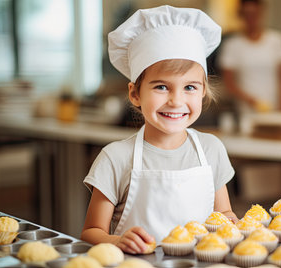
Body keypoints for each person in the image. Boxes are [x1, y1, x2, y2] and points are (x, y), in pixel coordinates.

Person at [80, 5, 238, 254]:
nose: (176, 101)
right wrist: (115, 241)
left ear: (203, 91)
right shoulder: (115, 158)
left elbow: (224, 213)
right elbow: (91, 232)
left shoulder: (211, 149)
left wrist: (233, 222)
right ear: (134, 94)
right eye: (161, 87)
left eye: (190, 87)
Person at [219, 0, 281, 114]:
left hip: (275, 108)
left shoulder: (277, 40)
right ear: (241, 15)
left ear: (261, 13)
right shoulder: (231, 45)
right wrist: (252, 101)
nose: (251, 19)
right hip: (245, 111)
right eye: (247, 15)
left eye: (254, 14)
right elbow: (229, 83)